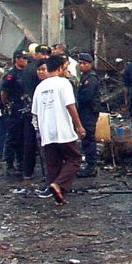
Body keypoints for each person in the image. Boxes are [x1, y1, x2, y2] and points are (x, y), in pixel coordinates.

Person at [31, 55, 86, 205]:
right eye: (66, 67)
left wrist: (38, 131)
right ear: (61, 67)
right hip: (62, 129)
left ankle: (59, 196)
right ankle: (59, 184)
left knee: (53, 164)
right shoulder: (64, 83)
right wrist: (79, 125)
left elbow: (34, 112)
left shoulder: (40, 86)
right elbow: (70, 106)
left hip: (46, 132)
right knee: (75, 159)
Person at [0, 50, 34, 178]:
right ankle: (9, 163)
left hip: (26, 108)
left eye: (26, 58)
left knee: (23, 137)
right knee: (12, 137)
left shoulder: (27, 73)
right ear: (17, 59)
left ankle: (21, 162)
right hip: (15, 108)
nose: (25, 61)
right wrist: (7, 104)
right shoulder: (11, 75)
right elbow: (4, 92)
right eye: (23, 58)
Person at [75, 53, 100, 177]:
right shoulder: (85, 77)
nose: (81, 66)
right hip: (85, 111)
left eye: (84, 63)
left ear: (90, 64)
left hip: (89, 111)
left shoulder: (91, 78)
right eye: (80, 63)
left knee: (88, 137)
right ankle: (90, 164)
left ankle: (91, 166)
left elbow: (86, 96)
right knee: (86, 138)